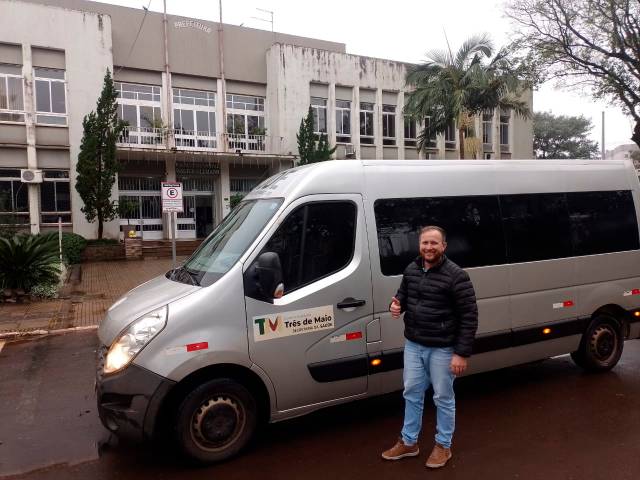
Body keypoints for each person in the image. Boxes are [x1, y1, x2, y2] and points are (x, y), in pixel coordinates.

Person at [381, 225, 478, 469]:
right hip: (414, 344)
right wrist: (396, 306)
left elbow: (469, 316)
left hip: (443, 349)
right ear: (419, 245)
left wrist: (461, 353)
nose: (429, 247)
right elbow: (402, 296)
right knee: (411, 392)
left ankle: (443, 446)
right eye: (425, 243)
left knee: (443, 397)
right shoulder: (412, 269)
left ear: (443, 246)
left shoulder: (456, 275)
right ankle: (409, 442)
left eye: (434, 243)